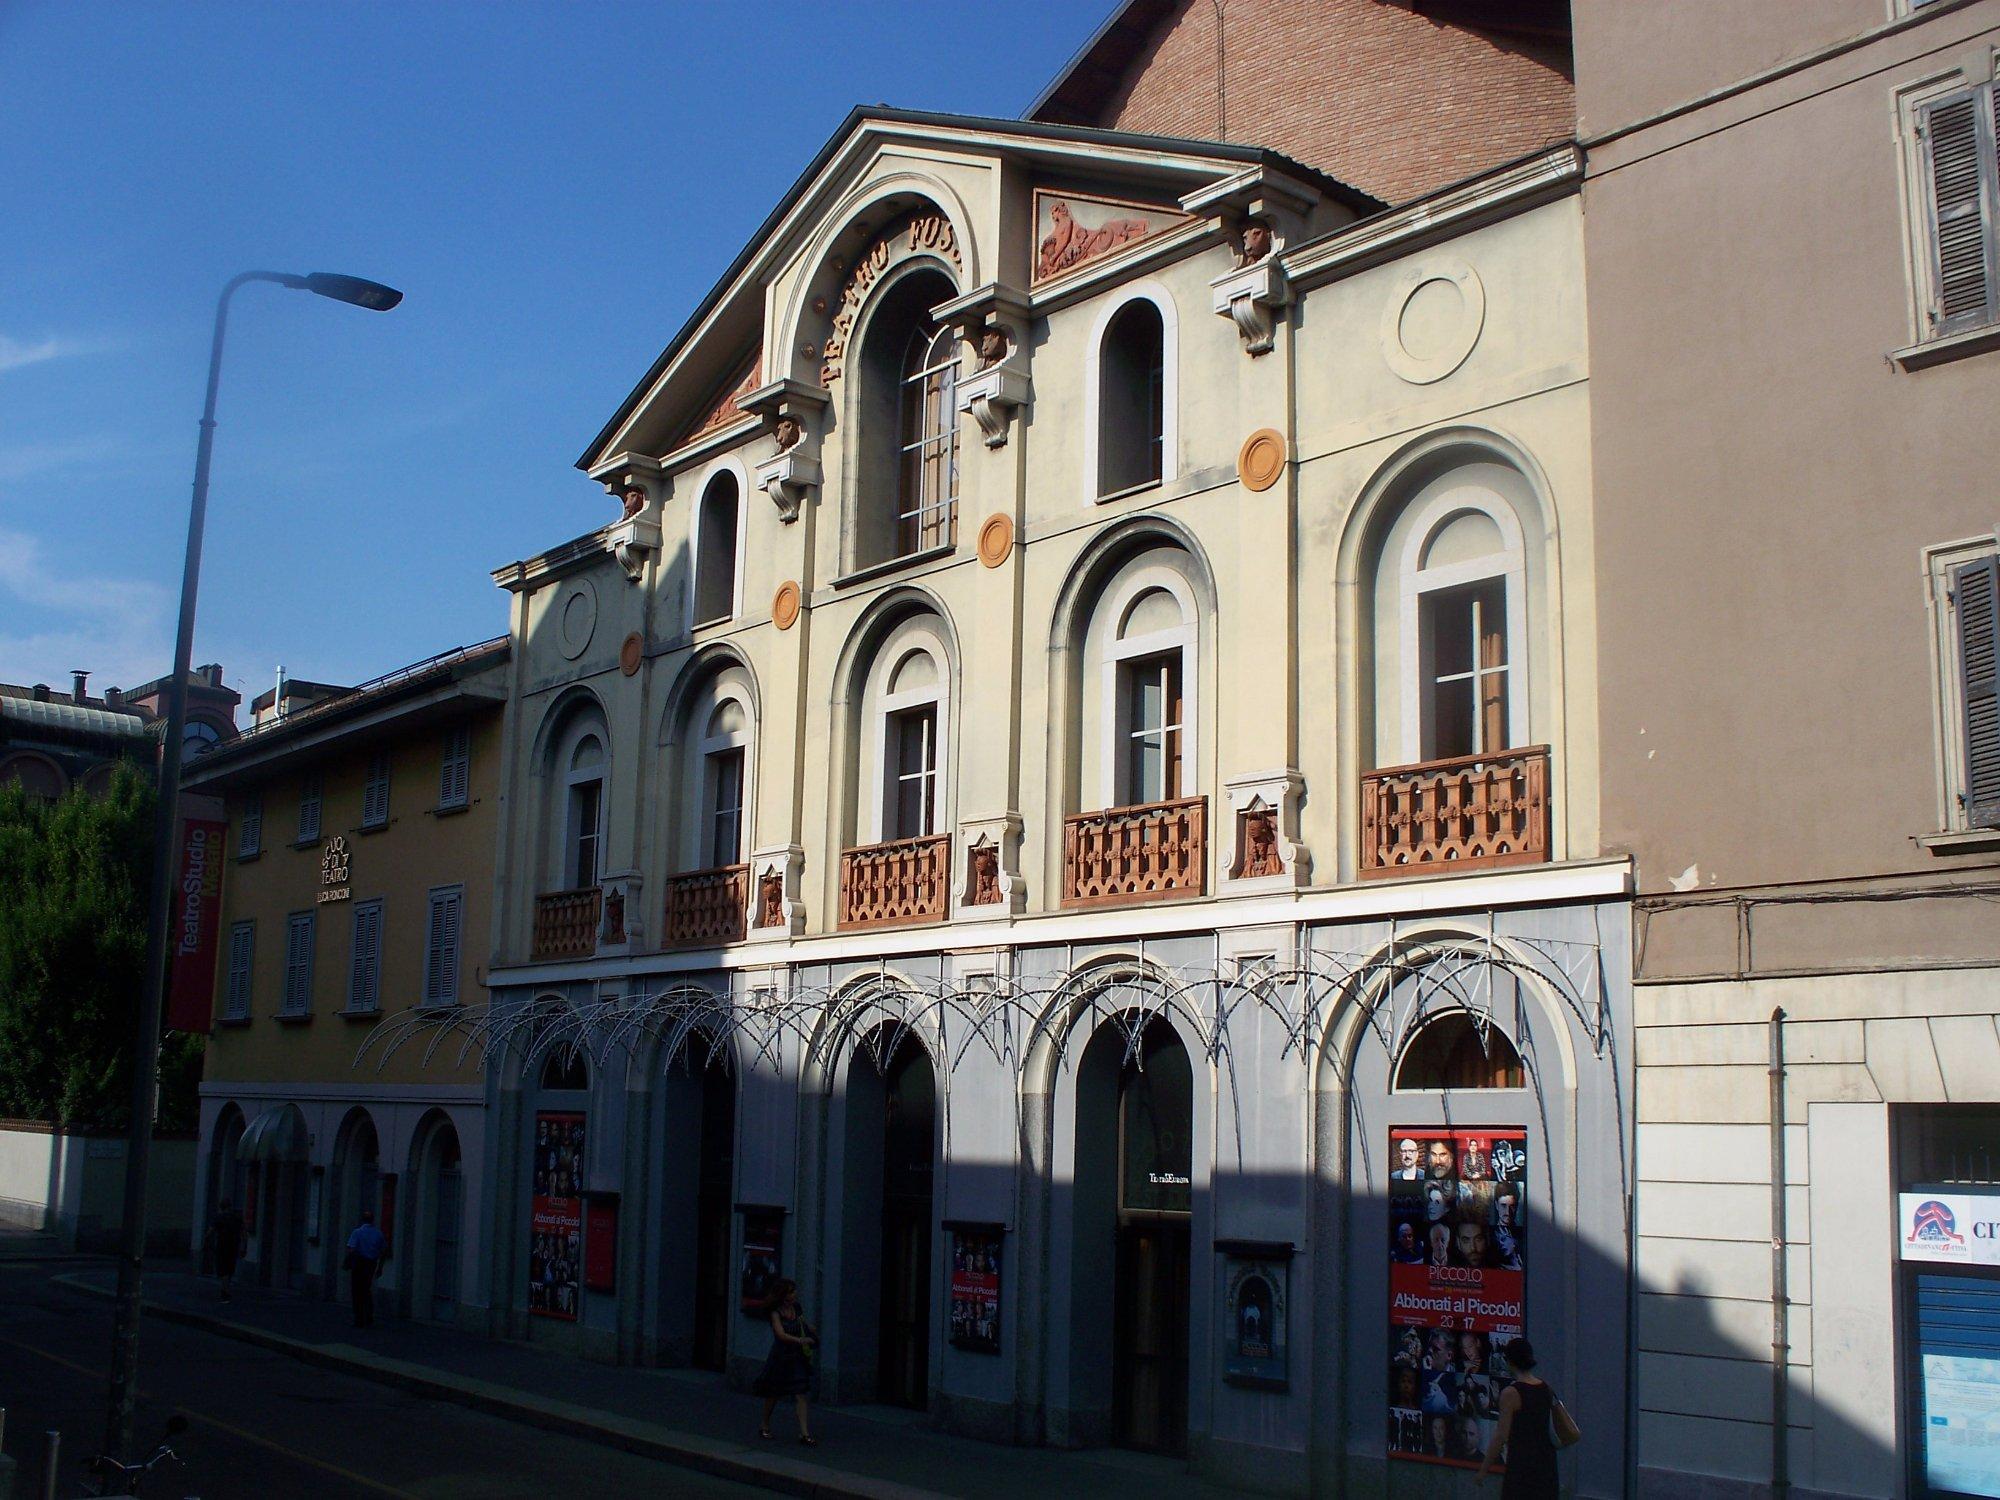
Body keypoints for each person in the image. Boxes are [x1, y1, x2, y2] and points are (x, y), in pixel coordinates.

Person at [1478, 1336, 1575, 1497]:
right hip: (1547, 1466)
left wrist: (1483, 1470)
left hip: (1522, 1466)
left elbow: (1501, 1435)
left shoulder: (1511, 1393)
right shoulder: (1546, 1388)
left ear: (1510, 1362)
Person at [753, 1278, 817, 1446]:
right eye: (791, 1292)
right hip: (781, 1356)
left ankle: (804, 1433)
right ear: (783, 1294)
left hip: (797, 1357)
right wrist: (800, 1340)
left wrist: (810, 1329)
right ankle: (764, 1424)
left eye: (794, 1291)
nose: (794, 1294)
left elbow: (802, 1323)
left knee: (801, 1393)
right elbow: (780, 1334)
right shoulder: (775, 1312)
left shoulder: (796, 1308)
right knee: (774, 1392)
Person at [344, 1209, 386, 1328]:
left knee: (356, 1290)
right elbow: (383, 1251)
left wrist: (348, 1261)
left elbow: (351, 1249)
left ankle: (358, 1317)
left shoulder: (357, 1232)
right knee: (366, 1289)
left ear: (362, 1220)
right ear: (373, 1220)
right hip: (371, 1264)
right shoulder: (378, 1233)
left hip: (359, 1263)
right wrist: (380, 1267)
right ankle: (369, 1314)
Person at [205, 1199, 244, 1302]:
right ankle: (226, 1289)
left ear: (221, 1207)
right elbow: (244, 1233)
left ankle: (225, 1291)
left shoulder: (219, 1217)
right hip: (234, 1246)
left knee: (223, 1268)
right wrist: (243, 1247)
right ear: (230, 1207)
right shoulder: (236, 1218)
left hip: (222, 1245)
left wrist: (206, 1241)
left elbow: (211, 1231)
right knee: (230, 1268)